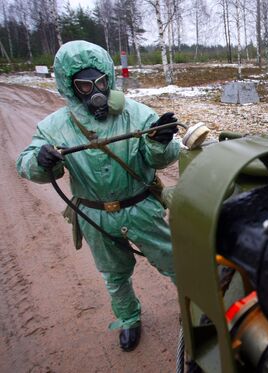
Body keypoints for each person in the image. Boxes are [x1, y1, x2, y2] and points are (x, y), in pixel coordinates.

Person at [16, 40, 180, 352]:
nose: (96, 91)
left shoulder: (136, 113)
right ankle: (128, 319)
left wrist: (160, 141)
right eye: (84, 85)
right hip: (95, 214)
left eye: (101, 82)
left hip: (141, 207)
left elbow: (165, 157)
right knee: (114, 276)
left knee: (174, 261)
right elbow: (24, 163)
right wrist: (41, 160)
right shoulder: (54, 127)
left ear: (109, 78)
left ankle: (196, 309)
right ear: (69, 86)